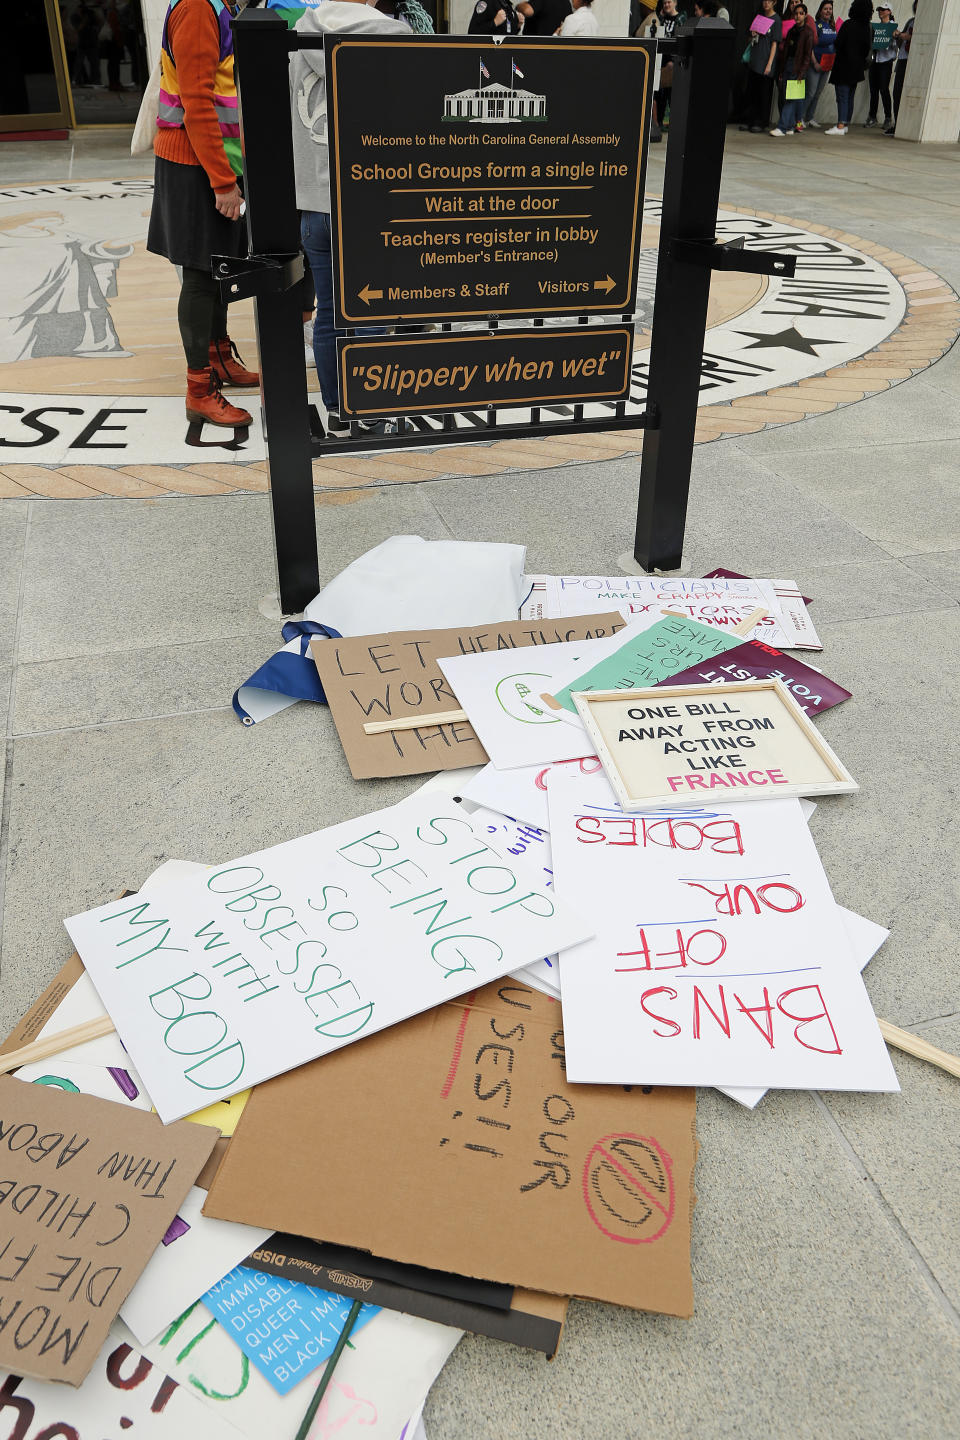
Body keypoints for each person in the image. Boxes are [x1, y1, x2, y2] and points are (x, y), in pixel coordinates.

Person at [290, 0, 409, 436]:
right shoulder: (389, 37)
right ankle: (371, 411)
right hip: (365, 201)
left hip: (315, 206)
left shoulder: (295, 40)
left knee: (330, 313)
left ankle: (339, 410)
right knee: (373, 310)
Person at [147, 0, 259, 429]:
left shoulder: (216, 5)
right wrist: (222, 180)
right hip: (195, 163)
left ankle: (219, 359)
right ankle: (198, 389)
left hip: (206, 159)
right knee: (199, 274)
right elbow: (197, 101)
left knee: (216, 269)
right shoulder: (197, 7)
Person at [827, 0, 873, 134]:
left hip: (843, 66)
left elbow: (838, 43)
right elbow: (866, 49)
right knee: (850, 97)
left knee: (842, 96)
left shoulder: (848, 24)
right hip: (857, 68)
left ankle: (840, 125)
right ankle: (845, 123)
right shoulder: (867, 27)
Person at [740, 0, 782, 133]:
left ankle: (760, 121)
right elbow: (750, 39)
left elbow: (775, 44)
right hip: (754, 60)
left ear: (774, 3)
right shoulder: (759, 17)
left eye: (769, 1)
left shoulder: (776, 20)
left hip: (765, 62)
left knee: (762, 94)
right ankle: (749, 120)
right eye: (764, 0)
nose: (766, 3)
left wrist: (769, 64)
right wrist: (752, 34)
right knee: (751, 92)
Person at [772, 1, 814, 131]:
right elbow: (786, 51)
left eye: (801, 13)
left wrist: (802, 72)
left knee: (792, 97)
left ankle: (783, 127)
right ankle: (790, 125)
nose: (798, 16)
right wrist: (782, 69)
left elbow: (807, 55)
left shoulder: (808, 32)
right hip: (788, 65)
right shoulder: (791, 30)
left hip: (798, 67)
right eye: (796, 13)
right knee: (786, 96)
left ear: (805, 15)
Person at [802, 0, 839, 126]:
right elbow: (810, 46)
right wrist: (815, 63)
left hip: (827, 65)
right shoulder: (816, 25)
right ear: (820, 11)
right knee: (810, 92)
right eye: (825, 9)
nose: (828, 11)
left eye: (830, 9)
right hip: (815, 65)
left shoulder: (834, 27)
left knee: (817, 93)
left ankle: (809, 117)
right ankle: (800, 118)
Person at [866, 3, 897, 125]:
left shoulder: (893, 27)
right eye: (879, 10)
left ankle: (888, 117)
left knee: (884, 90)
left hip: (886, 61)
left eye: (883, 10)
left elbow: (895, 47)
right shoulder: (876, 27)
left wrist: (892, 38)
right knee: (873, 90)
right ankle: (872, 117)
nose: (881, 12)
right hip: (875, 61)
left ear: (889, 11)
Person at [888, 0, 915, 132]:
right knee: (897, 92)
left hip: (913, 61)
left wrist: (907, 36)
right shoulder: (911, 20)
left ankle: (906, 125)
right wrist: (898, 36)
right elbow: (901, 39)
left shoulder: (926, 23)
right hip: (902, 59)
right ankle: (897, 123)